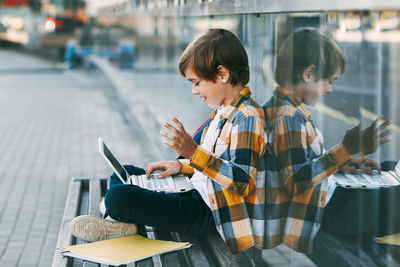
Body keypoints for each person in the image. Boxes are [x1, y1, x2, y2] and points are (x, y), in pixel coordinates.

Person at [70, 28, 267, 255]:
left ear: (222, 74)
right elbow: (212, 165)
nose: (194, 91)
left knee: (118, 196)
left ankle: (123, 221)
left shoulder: (247, 118)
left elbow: (242, 182)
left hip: (209, 212)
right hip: (195, 190)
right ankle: (126, 224)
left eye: (196, 82)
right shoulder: (224, 111)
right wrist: (180, 166)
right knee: (124, 174)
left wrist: (193, 153)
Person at [261, 28, 393, 254]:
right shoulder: (287, 117)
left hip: (322, 204)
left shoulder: (281, 109)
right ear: (309, 74)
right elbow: (296, 181)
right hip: (320, 215)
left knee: (389, 170)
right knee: (393, 196)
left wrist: (340, 164)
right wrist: (345, 150)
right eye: (329, 81)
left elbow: (296, 166)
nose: (330, 90)